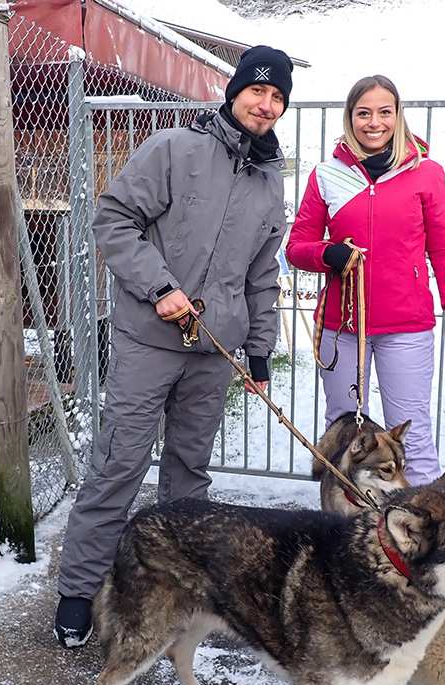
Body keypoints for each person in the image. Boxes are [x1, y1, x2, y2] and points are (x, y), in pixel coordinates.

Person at [53, 46, 292, 649]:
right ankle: (79, 590)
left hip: (214, 349)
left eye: (276, 96)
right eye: (256, 91)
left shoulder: (269, 180)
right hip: (148, 338)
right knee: (120, 464)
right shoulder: (174, 149)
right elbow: (114, 219)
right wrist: (159, 286)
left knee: (188, 475)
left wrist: (260, 350)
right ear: (234, 91)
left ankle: (177, 592)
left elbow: (263, 272)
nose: (265, 104)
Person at [286, 74, 445, 486]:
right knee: (345, 433)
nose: (374, 122)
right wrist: (328, 254)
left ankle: (421, 530)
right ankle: (342, 525)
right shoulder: (327, 175)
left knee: (413, 432)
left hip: (406, 327)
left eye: (384, 112)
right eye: (364, 113)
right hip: (343, 326)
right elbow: (297, 246)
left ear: (398, 115)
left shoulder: (426, 174)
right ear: (350, 118)